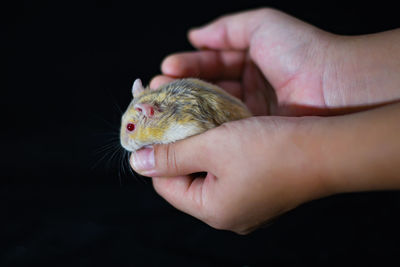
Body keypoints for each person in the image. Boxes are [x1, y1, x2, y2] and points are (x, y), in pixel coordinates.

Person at [130, 8, 400, 234]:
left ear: (148, 112)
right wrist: (332, 73)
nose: (126, 138)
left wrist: (305, 163)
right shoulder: (159, 107)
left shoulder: (166, 119)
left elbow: (193, 125)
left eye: (130, 128)